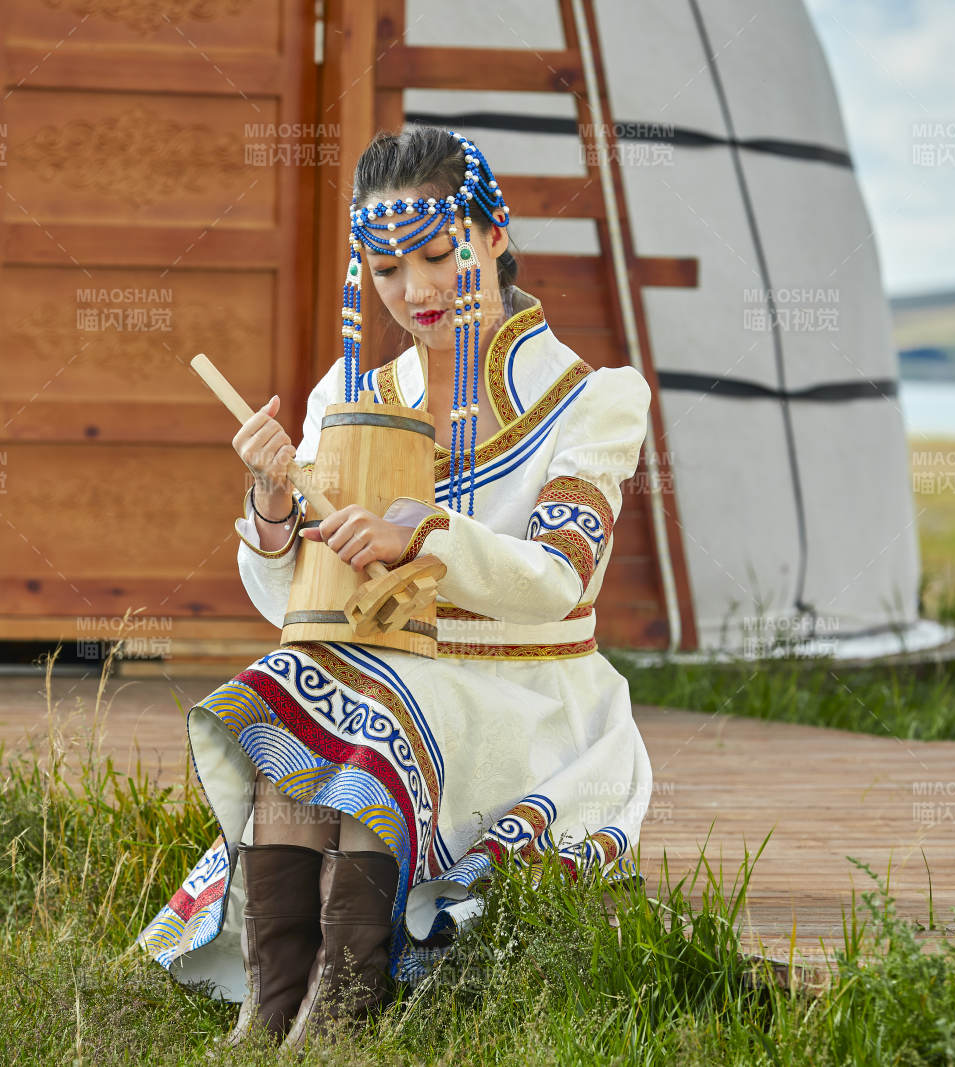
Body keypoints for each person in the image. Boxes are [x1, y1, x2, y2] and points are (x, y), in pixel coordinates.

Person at [137, 126, 655, 1052]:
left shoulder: (595, 399)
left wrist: (424, 533)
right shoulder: (349, 393)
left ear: (494, 234)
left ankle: (340, 1010)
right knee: (297, 679)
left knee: (365, 703)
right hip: (391, 676)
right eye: (386, 270)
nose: (416, 290)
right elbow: (294, 608)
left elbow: (559, 578)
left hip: (530, 694)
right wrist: (270, 500)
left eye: (438, 255)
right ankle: (273, 1009)